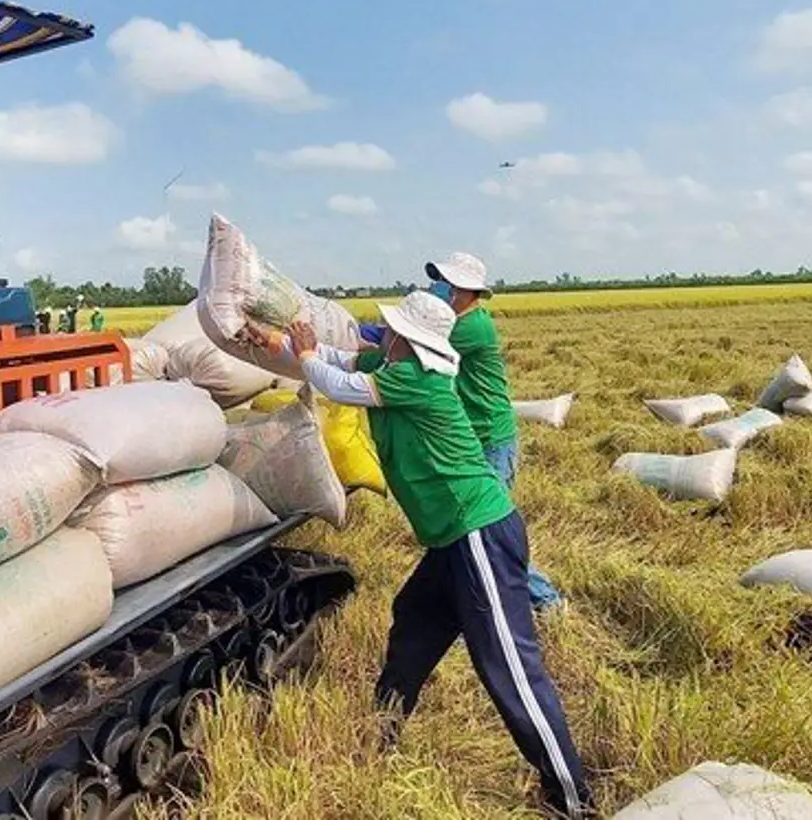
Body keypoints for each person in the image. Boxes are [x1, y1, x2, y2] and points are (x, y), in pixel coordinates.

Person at [245, 292, 592, 818]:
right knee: (413, 620)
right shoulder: (391, 363)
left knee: (509, 669)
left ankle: (573, 799)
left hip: (478, 534)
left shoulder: (419, 379)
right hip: (451, 541)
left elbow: (334, 380)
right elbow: (335, 363)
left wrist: (309, 354)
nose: (383, 333)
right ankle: (380, 729)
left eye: (391, 329)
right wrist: (273, 341)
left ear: (410, 338)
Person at [424, 252, 563, 612]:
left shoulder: (471, 327)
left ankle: (545, 600)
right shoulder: (459, 321)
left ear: (465, 291)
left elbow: (416, 346)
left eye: (445, 283)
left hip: (492, 440)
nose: (438, 288)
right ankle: (466, 604)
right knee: (472, 529)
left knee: (491, 532)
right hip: (475, 437)